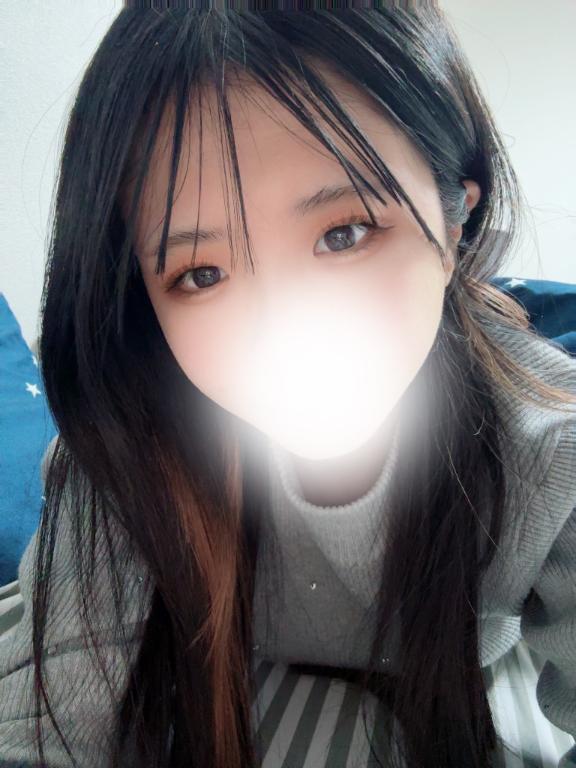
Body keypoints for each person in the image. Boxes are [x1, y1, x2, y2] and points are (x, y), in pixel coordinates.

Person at [1, 5, 575, 768]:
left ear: (454, 224)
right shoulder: (125, 449)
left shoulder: (550, 447)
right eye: (201, 274)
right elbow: (44, 724)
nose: (279, 326)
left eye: (344, 233)